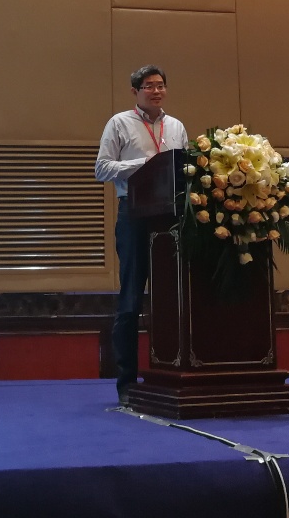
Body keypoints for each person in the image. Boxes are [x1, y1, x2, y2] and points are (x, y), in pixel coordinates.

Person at [94, 64, 188, 405]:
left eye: (161, 85)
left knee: (173, 296)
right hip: (133, 213)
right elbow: (102, 168)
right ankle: (126, 382)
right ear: (135, 92)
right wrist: (146, 164)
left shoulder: (176, 126)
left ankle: (171, 375)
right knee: (131, 298)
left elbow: (184, 169)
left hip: (170, 217)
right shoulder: (119, 123)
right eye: (149, 86)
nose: (156, 91)